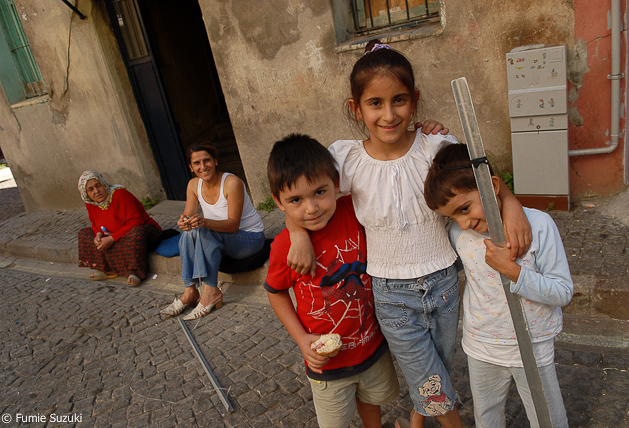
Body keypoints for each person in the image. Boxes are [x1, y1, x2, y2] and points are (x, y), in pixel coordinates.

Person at [286, 40, 533, 428]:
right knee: (430, 381)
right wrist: (296, 232)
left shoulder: (436, 148)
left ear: (414, 101)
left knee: (437, 368)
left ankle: (416, 424)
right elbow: (301, 195)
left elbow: (481, 181)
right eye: (375, 103)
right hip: (391, 294)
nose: (389, 114)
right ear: (356, 108)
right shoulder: (345, 159)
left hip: (444, 284)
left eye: (399, 100)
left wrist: (512, 202)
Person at [424, 143, 572, 428]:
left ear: (492, 186)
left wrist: (514, 272)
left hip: (532, 346)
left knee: (548, 420)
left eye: (464, 208)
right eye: (453, 216)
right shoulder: (458, 234)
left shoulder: (539, 225)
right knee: (487, 418)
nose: (463, 223)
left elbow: (562, 291)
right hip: (482, 346)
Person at [264, 134, 399, 428]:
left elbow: (384, 167)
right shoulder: (284, 246)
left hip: (372, 348)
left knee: (372, 403)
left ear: (337, 184)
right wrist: (301, 339)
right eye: (296, 200)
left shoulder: (353, 210)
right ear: (278, 202)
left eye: (320, 192)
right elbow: (276, 292)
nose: (311, 208)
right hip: (327, 364)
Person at [160, 142, 265, 320]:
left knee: (204, 232)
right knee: (189, 233)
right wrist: (184, 222)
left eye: (207, 160)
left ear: (215, 161)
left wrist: (205, 222)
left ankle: (210, 292)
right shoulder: (193, 185)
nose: (203, 166)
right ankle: (190, 291)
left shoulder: (231, 183)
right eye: (197, 163)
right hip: (218, 237)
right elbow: (188, 217)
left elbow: (233, 225)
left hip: (249, 239)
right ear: (191, 167)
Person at [77, 170, 162, 286]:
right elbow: (95, 224)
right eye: (90, 189)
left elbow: (136, 221)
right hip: (114, 234)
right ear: (86, 194)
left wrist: (112, 238)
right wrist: (98, 235)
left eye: (98, 185)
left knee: (136, 233)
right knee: (84, 233)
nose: (96, 191)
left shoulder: (119, 195)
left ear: (103, 183)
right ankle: (107, 269)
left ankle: (135, 272)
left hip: (143, 231)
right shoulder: (90, 203)